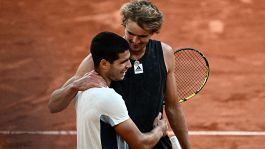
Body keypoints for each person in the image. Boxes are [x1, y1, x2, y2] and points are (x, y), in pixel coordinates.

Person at [48, 0, 191, 148]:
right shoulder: (101, 60)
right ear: (124, 25)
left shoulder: (165, 54)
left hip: (155, 141)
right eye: (130, 33)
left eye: (142, 36)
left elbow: (173, 108)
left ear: (153, 33)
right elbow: (54, 105)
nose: (135, 41)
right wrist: (74, 86)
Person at [74, 31, 167, 148]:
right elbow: (141, 144)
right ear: (104, 64)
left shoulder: (81, 90)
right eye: (123, 62)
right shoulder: (109, 98)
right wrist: (159, 130)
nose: (129, 65)